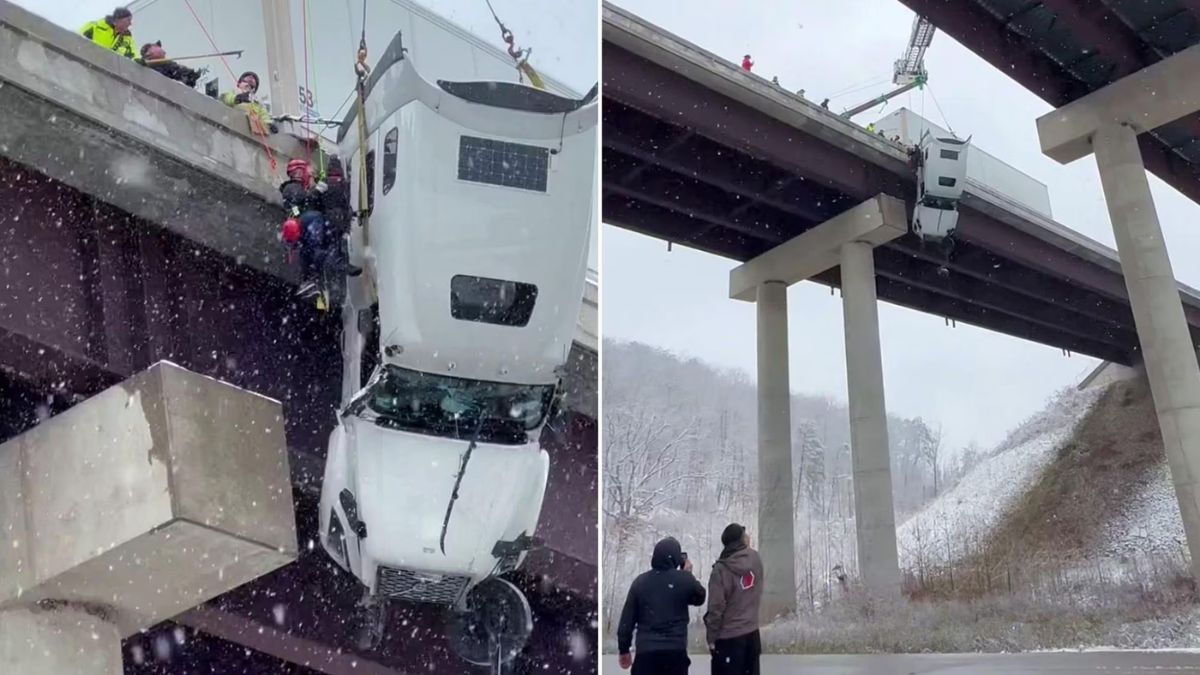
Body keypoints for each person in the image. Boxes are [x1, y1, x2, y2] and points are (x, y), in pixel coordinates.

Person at [617, 537, 706, 675]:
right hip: (675, 653)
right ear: (677, 557)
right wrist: (688, 574)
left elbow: (626, 622)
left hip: (646, 654)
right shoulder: (684, 579)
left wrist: (624, 650)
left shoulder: (640, 582)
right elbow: (700, 598)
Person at [704, 523, 764, 675]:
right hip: (752, 634)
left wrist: (711, 638)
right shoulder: (755, 559)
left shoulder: (721, 569)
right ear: (741, 540)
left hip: (728, 639)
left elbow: (716, 606)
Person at [279, 159, 331, 297]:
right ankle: (313, 275)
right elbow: (304, 201)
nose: (309, 174)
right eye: (307, 171)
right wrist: (317, 189)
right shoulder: (292, 188)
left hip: (301, 226)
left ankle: (310, 279)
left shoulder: (300, 189)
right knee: (316, 222)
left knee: (307, 249)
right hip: (300, 223)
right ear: (299, 172)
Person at [136, 42, 202, 88]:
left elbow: (184, 72)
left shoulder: (169, 64)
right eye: (156, 46)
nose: (161, 49)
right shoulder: (147, 65)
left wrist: (191, 75)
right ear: (148, 53)